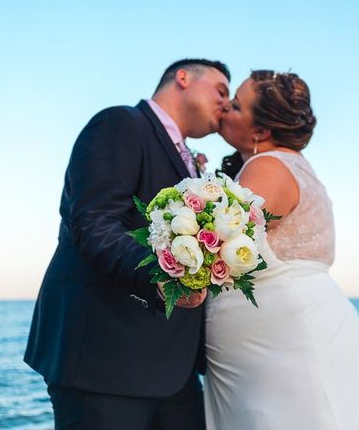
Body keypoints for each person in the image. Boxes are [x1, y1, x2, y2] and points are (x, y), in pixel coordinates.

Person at [24, 59, 230, 429]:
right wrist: (161, 277)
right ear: (183, 78)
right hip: (105, 363)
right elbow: (95, 222)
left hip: (174, 370)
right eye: (221, 90)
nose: (226, 105)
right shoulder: (119, 123)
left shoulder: (190, 162)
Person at [204, 70, 359, 429]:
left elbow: (219, 238)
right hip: (284, 337)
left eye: (236, 105)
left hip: (283, 345)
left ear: (260, 131)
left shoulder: (267, 167)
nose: (225, 108)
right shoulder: (291, 165)